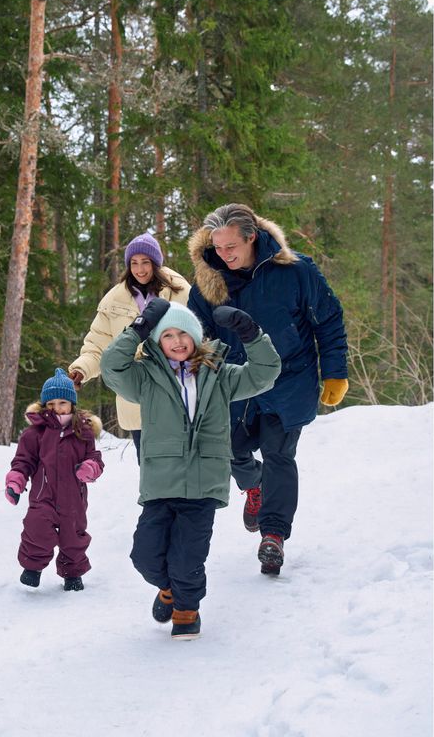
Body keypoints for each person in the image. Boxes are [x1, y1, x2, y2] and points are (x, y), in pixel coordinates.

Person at [100, 299, 280, 639]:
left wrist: (252, 334)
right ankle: (168, 589)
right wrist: (138, 327)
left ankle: (186, 608)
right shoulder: (146, 377)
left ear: (196, 337)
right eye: (167, 334)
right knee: (145, 556)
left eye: (184, 332)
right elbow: (112, 367)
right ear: (157, 341)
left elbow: (265, 373)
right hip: (160, 481)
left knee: (187, 558)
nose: (177, 340)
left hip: (203, 484)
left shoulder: (220, 374)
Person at [187, 203, 348, 576]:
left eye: (232, 248)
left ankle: (273, 536)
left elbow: (328, 318)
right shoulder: (209, 281)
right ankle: (253, 486)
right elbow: (195, 334)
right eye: (218, 248)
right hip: (236, 384)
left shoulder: (295, 271)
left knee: (279, 455)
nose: (224, 256)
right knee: (229, 449)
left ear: (252, 238)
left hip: (288, 380)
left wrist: (335, 372)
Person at [68, 232, 190, 463]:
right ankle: (155, 501)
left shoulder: (180, 293)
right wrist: (81, 370)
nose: (140, 269)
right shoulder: (113, 301)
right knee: (149, 468)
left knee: (179, 466)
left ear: (156, 263)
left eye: (145, 262)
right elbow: (97, 345)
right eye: (134, 263)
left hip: (175, 393)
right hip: (137, 397)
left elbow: (199, 338)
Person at [4, 368, 104, 592]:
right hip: (43, 495)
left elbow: (94, 457)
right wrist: (15, 482)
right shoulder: (34, 433)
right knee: (36, 528)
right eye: (51, 404)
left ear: (71, 404)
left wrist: (90, 468)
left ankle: (72, 574)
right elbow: (23, 461)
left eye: (62, 403)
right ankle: (32, 568)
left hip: (73, 499)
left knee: (73, 536)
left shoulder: (83, 432)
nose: (56, 408)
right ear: (44, 405)